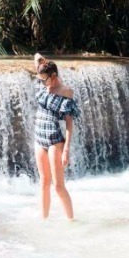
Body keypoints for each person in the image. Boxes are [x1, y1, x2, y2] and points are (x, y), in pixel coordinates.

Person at [34, 59, 79, 220]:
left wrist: (66, 149)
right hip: (39, 138)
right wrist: (41, 61)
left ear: (53, 76)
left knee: (58, 186)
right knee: (44, 183)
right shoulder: (43, 82)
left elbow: (69, 123)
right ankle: (43, 220)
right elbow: (37, 56)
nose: (41, 82)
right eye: (40, 79)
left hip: (54, 139)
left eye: (44, 79)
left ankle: (71, 220)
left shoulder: (65, 91)